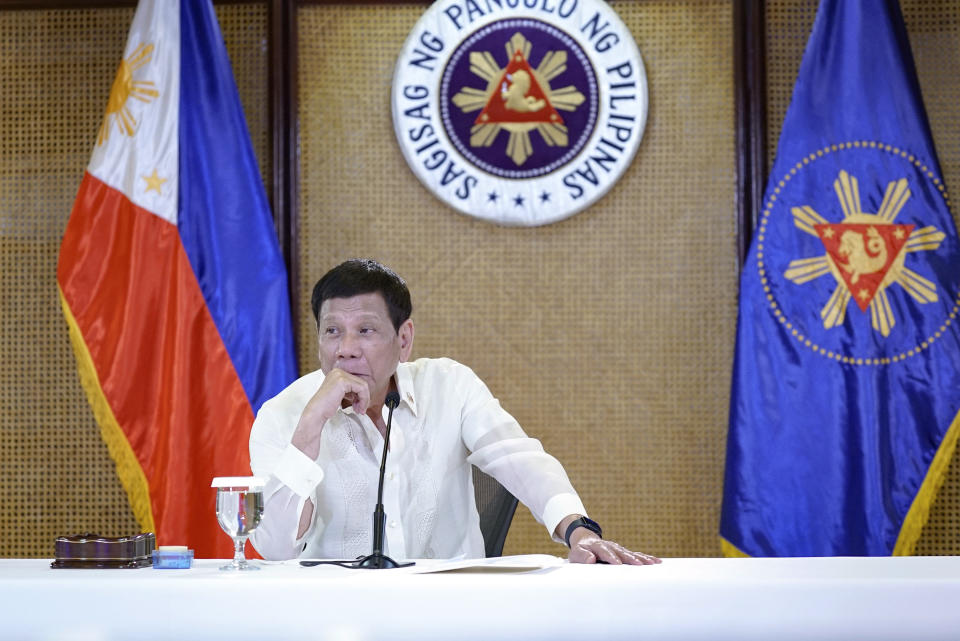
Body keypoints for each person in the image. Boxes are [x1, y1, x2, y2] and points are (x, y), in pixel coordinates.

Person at [249, 259, 659, 565]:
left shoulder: (450, 386)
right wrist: (311, 426)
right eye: (332, 330)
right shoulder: (283, 414)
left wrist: (576, 529)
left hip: (454, 614)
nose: (346, 348)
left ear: (403, 339)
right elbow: (275, 548)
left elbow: (520, 458)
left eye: (366, 330)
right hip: (338, 621)